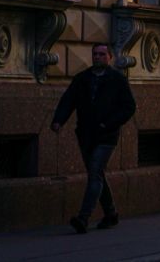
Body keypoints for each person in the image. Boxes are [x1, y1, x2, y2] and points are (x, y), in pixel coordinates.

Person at [51, 43, 137, 234]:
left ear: (109, 57)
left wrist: (109, 123)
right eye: (95, 54)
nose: (97, 57)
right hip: (86, 135)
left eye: (101, 54)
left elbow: (129, 107)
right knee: (96, 174)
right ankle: (111, 214)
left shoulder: (117, 80)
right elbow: (68, 100)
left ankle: (83, 217)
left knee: (95, 171)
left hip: (106, 136)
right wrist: (58, 120)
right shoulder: (82, 79)